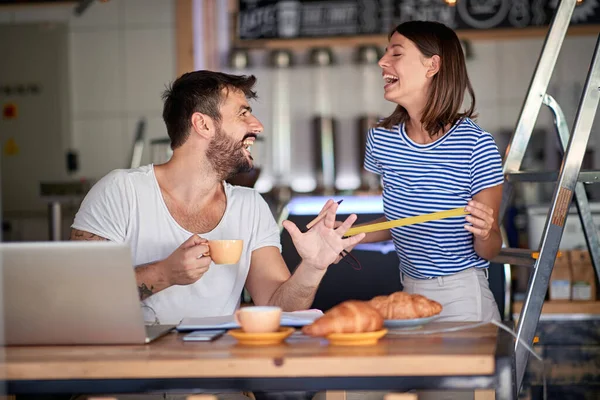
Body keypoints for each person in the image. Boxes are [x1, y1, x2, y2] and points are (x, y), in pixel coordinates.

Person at [70, 70, 364, 327]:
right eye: (243, 113)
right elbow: (79, 297)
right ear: (204, 125)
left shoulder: (250, 206)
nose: (258, 126)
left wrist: (312, 267)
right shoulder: (120, 192)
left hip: (220, 375)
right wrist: (165, 273)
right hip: (133, 378)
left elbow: (278, 310)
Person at [358, 20, 504, 324]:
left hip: (463, 295)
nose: (382, 62)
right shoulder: (381, 140)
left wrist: (486, 230)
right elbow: (400, 221)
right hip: (408, 293)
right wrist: (344, 234)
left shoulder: (475, 144)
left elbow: (490, 248)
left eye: (396, 54)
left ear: (432, 65)